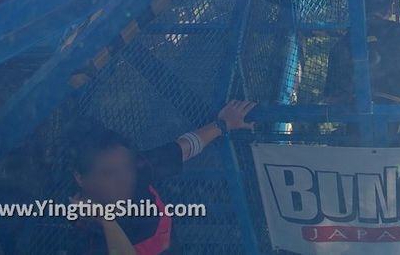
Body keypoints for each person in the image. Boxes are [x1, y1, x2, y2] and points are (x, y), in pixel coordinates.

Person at [64, 101, 256, 255]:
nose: (125, 179)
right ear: (80, 178)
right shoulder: (84, 232)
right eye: (109, 173)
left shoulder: (138, 170)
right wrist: (107, 222)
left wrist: (222, 125)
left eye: (127, 167)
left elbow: (183, 148)